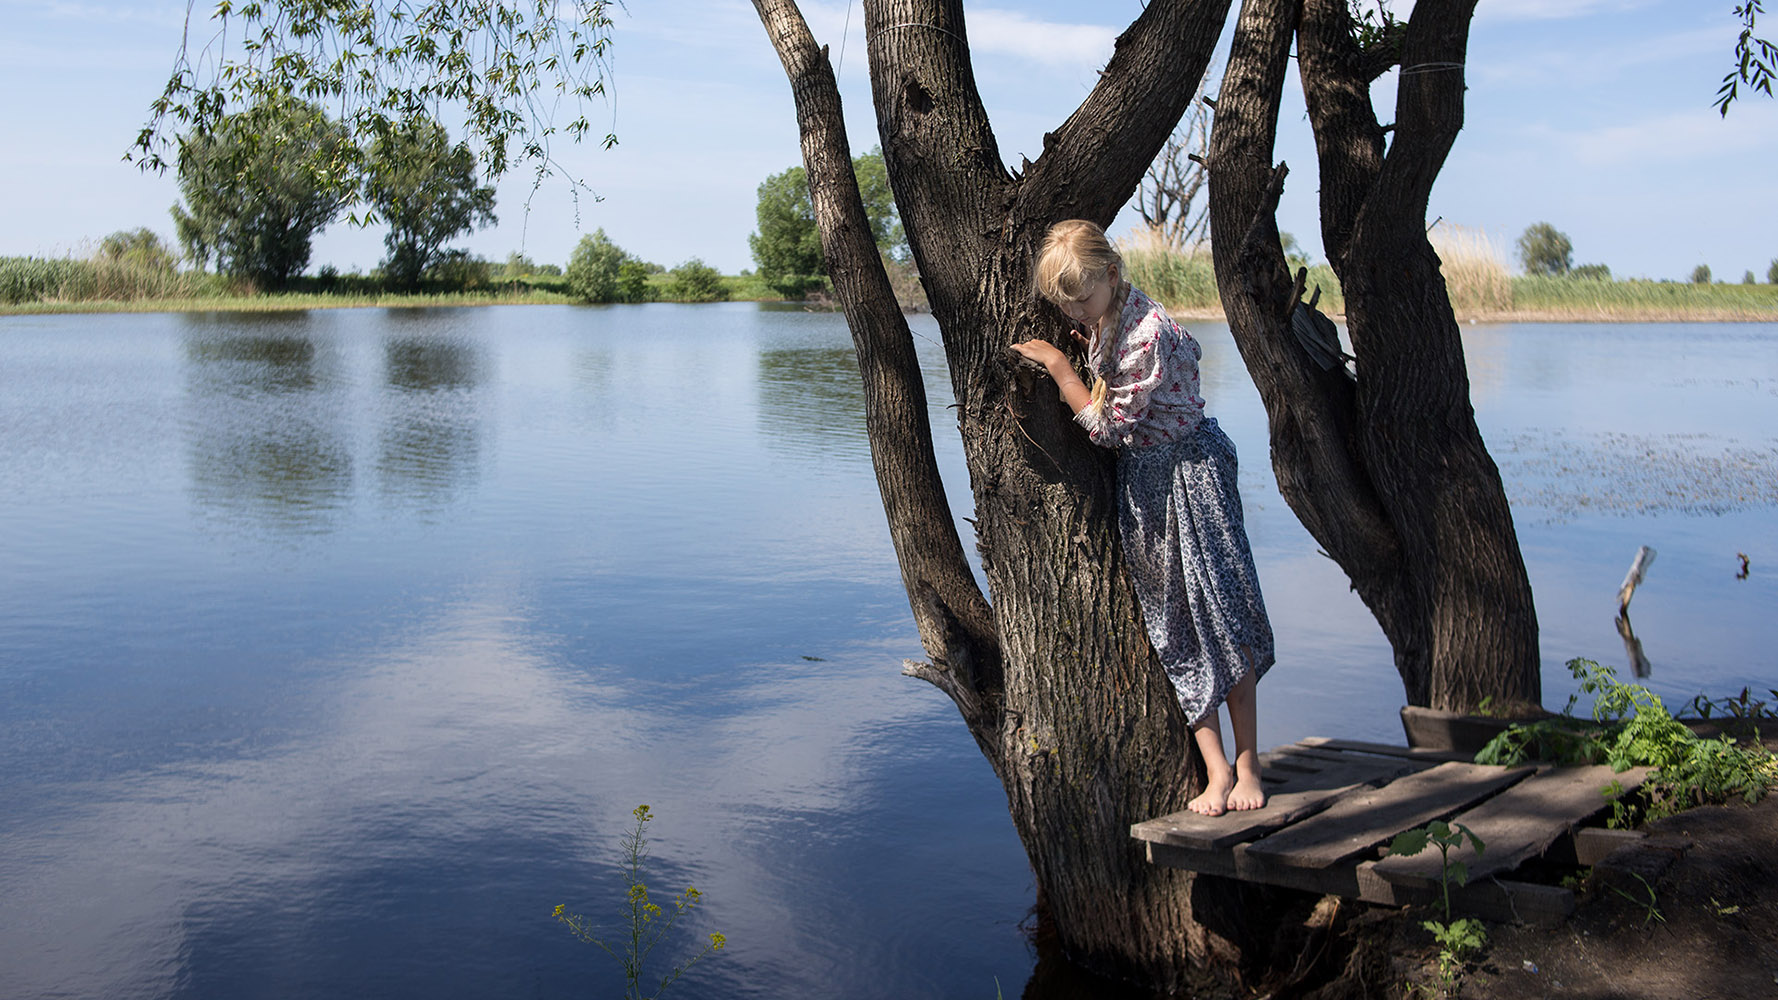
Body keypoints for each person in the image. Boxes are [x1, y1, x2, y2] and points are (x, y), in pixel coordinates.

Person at [1011, 219, 1275, 817]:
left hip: (1192, 478)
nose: (1076, 312)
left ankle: (1251, 761)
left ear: (1112, 272)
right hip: (1148, 484)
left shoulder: (1146, 332)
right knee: (1173, 623)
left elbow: (1109, 427)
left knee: (1223, 616)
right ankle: (1215, 770)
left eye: (1082, 298)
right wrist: (1081, 341)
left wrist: (1059, 366)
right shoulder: (1109, 318)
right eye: (1065, 303)